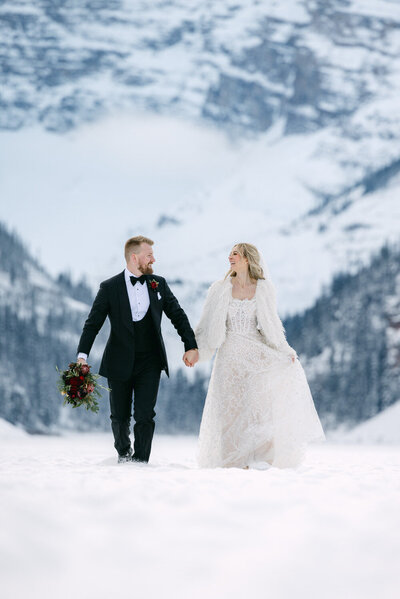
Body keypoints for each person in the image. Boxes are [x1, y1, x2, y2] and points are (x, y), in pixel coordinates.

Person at [194, 242, 325, 469]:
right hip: (229, 357)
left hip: (257, 357)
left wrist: (285, 351)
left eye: (235, 253)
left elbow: (272, 326)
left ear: (247, 259)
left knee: (260, 412)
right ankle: (232, 462)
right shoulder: (219, 288)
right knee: (229, 412)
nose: (230, 257)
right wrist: (195, 349)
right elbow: (206, 324)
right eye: (230, 254)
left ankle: (262, 460)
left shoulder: (264, 289)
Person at [76, 235, 199, 463]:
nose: (154, 259)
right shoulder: (110, 287)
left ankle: (141, 461)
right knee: (119, 416)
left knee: (145, 415)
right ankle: (124, 454)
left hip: (150, 361)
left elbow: (178, 316)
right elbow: (93, 324)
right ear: (135, 257)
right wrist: (82, 356)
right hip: (118, 360)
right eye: (149, 255)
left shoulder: (158, 284)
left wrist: (190, 345)